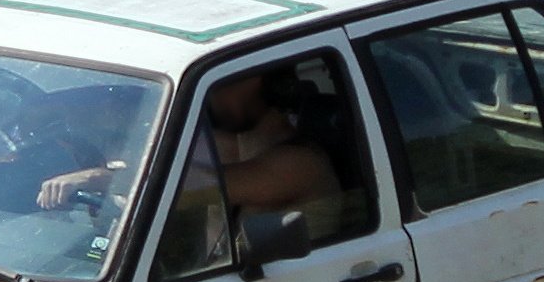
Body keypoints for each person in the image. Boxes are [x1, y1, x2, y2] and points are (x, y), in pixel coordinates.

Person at [36, 69, 340, 214]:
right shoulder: (225, 145)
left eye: (223, 85)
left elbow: (190, 188)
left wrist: (98, 179)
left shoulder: (300, 163)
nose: (212, 98)